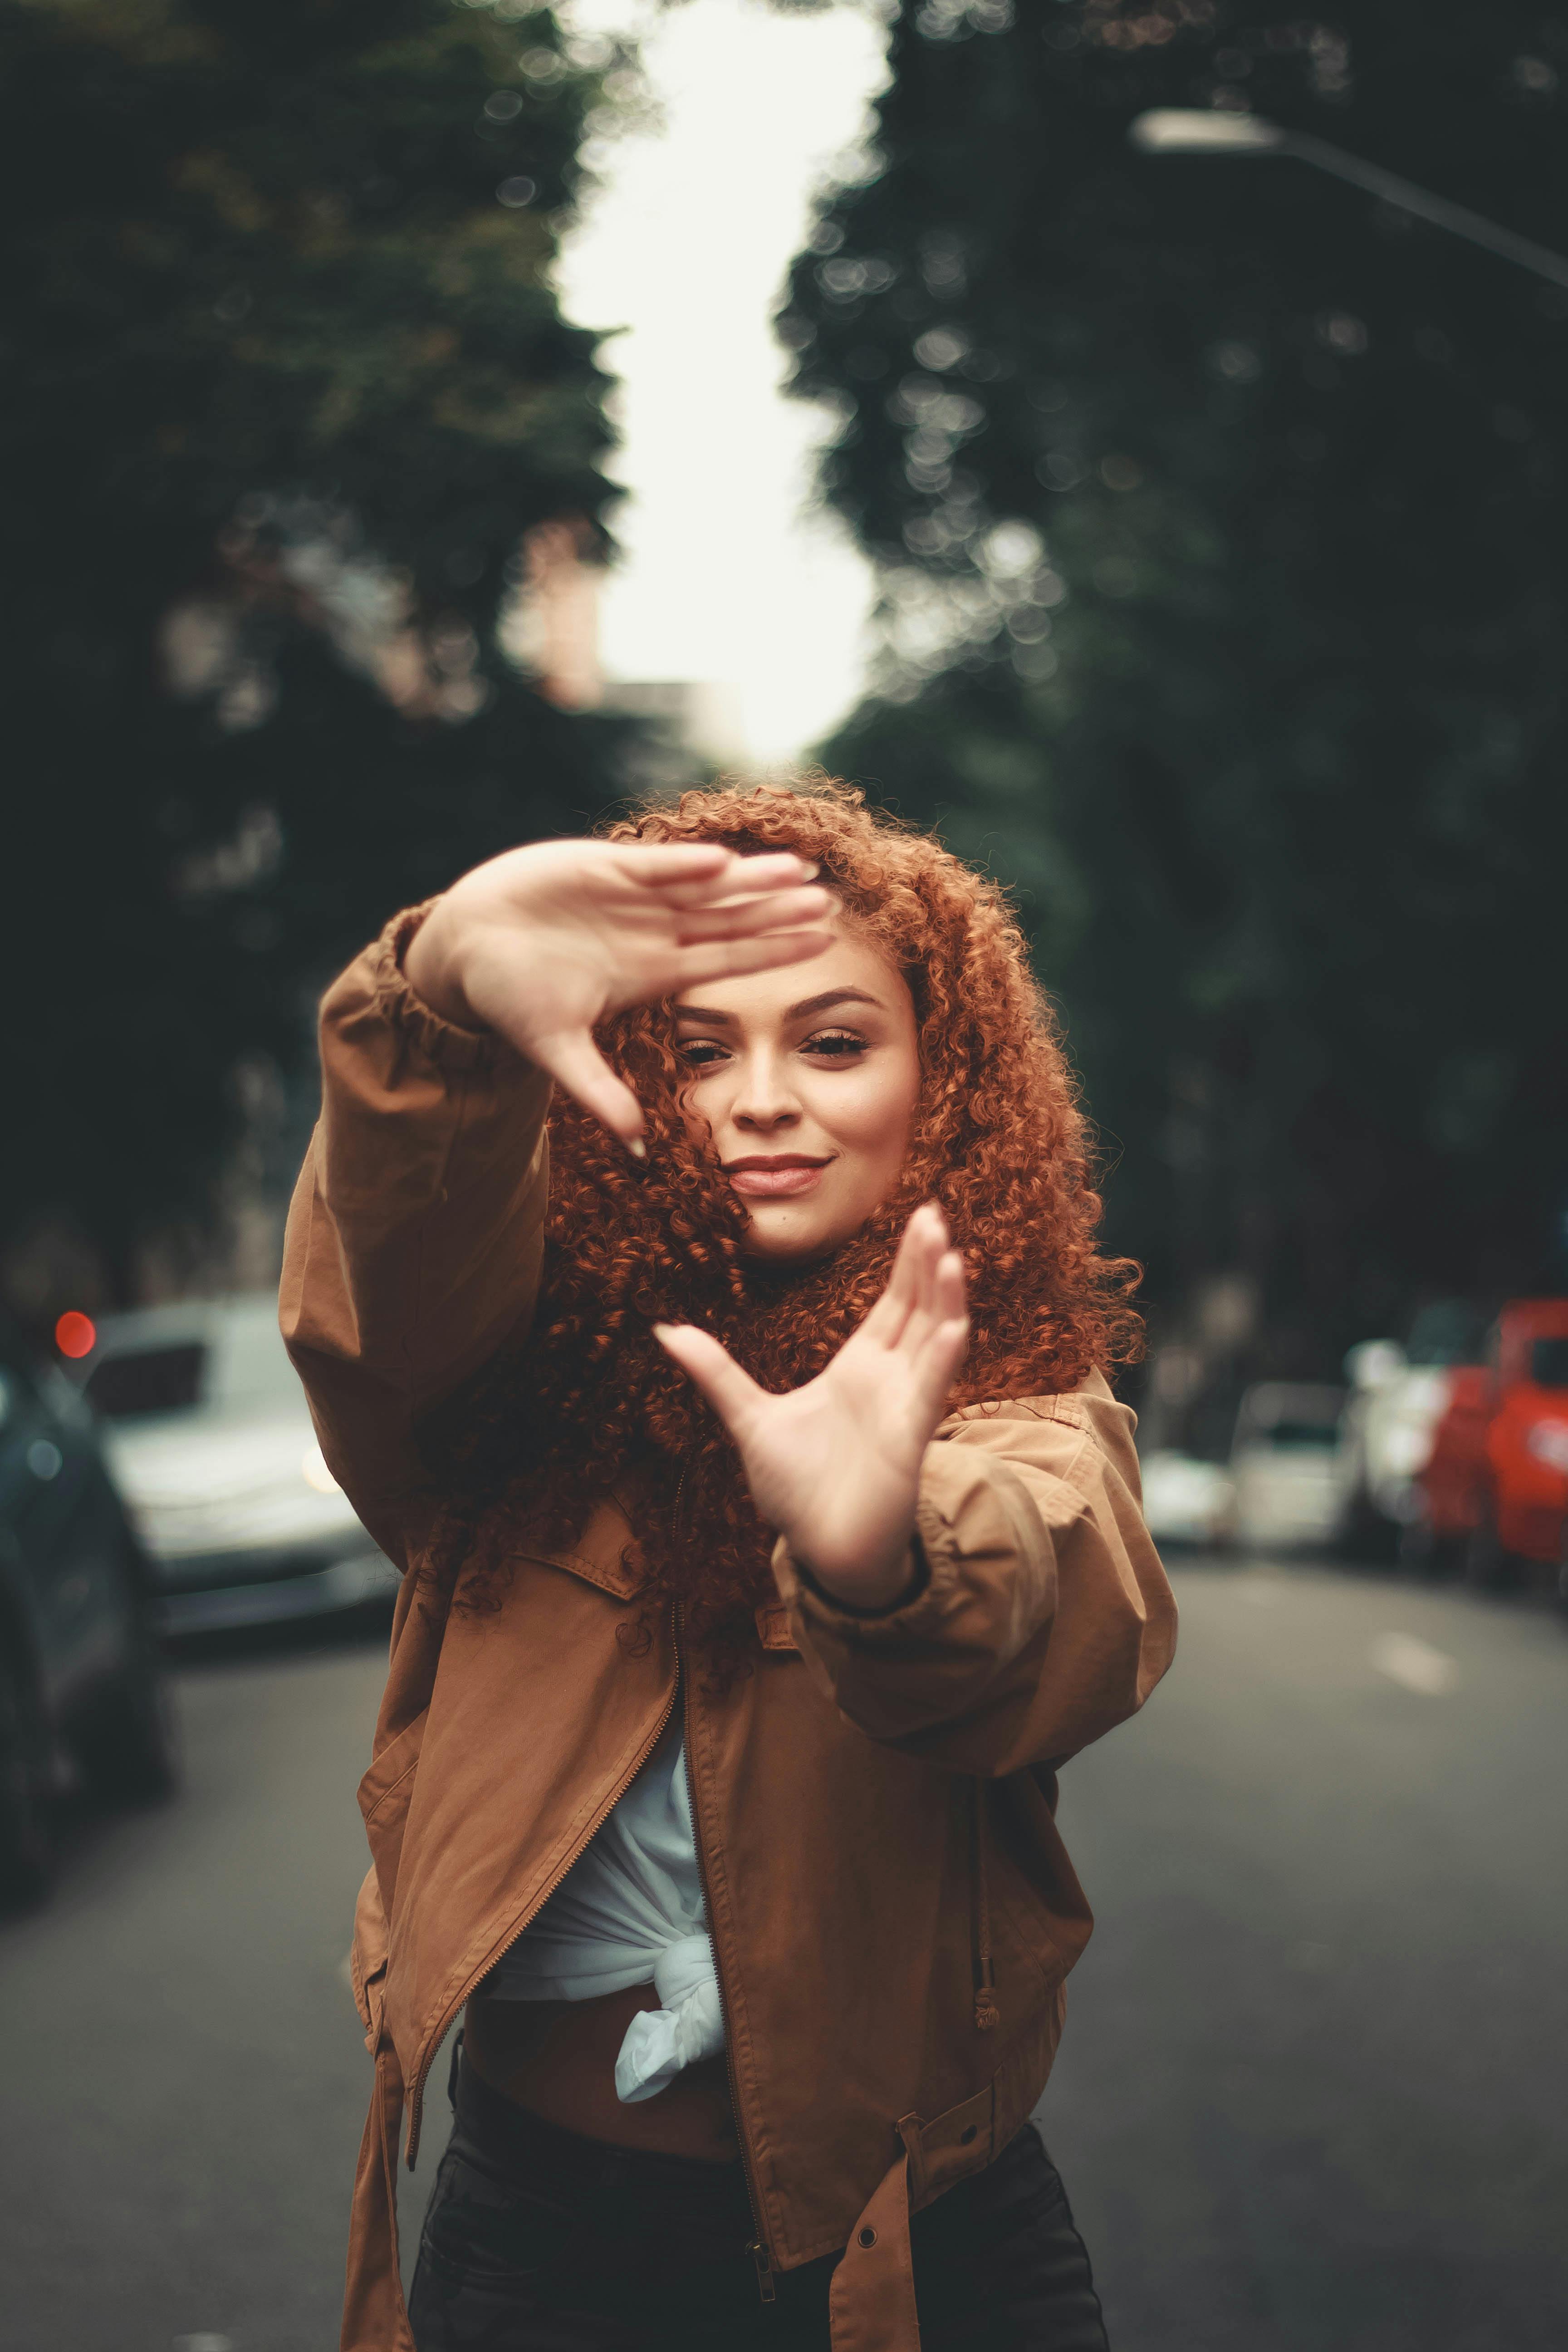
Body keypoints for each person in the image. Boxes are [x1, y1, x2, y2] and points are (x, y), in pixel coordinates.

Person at [281, 779, 1176, 2352]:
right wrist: (438, 1012)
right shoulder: (501, 1382)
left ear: (944, 1081)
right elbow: (379, 1303)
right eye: (700, 1051)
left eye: (834, 1042)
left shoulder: (1013, 1388)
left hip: (926, 2251)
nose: (763, 1096)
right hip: (541, 2250)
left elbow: (1056, 1591)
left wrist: (884, 1549)